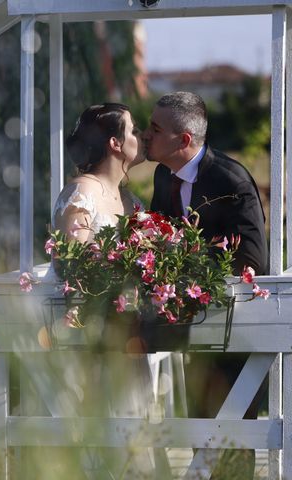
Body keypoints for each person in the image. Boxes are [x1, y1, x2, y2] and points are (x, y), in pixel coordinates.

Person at [144, 91, 268, 480]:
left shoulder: (231, 181)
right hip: (188, 330)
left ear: (183, 140)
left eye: (154, 128)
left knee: (232, 441)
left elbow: (252, 260)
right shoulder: (163, 174)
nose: (146, 134)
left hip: (235, 327)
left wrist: (185, 270)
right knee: (200, 433)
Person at [51, 103, 169, 479]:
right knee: (105, 442)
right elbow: (77, 263)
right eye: (134, 131)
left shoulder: (129, 200)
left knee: (135, 440)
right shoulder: (83, 191)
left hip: (127, 333)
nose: (141, 138)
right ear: (116, 143)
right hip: (94, 337)